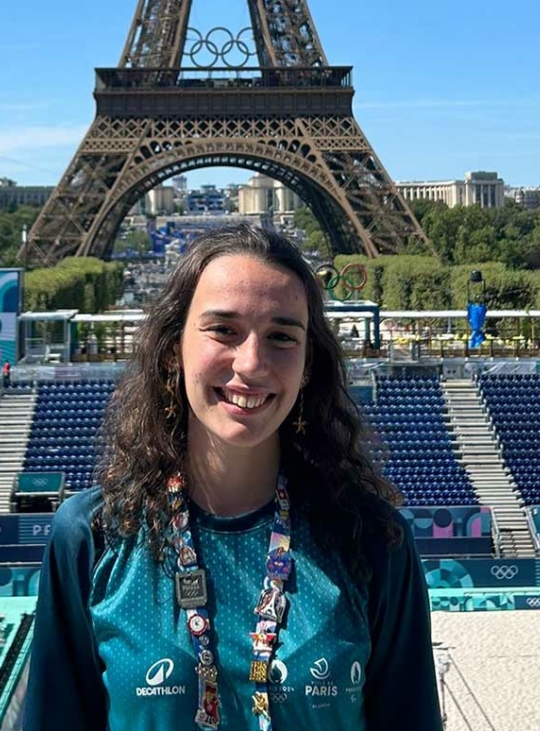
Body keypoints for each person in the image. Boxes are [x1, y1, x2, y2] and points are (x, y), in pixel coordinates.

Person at [23, 225, 441, 730]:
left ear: (309, 364)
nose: (251, 363)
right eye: (223, 330)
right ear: (173, 348)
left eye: (282, 337)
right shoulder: (92, 534)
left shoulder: (374, 540)